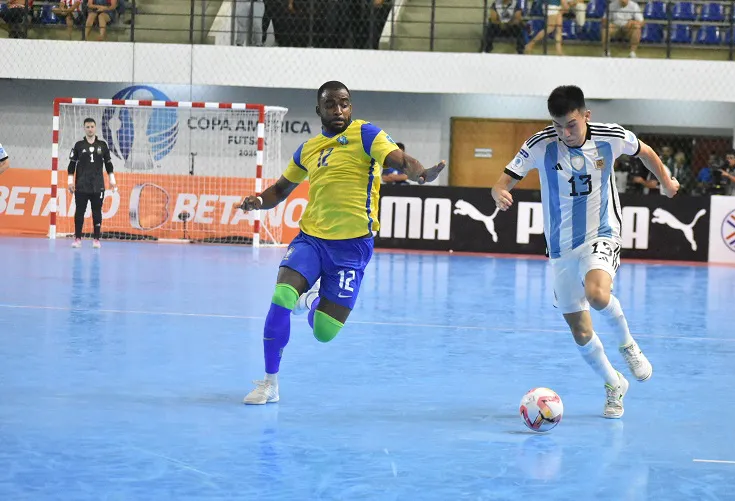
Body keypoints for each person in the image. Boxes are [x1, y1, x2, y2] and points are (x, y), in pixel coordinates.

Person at [239, 81, 445, 405]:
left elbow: (399, 159)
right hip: (311, 240)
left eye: (345, 104)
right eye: (332, 105)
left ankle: (310, 303)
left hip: (351, 250)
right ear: (318, 109)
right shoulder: (307, 149)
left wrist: (420, 172)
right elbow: (279, 190)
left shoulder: (366, 135)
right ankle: (270, 383)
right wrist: (257, 201)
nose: (339, 110)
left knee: (324, 332)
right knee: (281, 295)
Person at [490, 85, 679, 419]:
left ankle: (628, 345)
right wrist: (498, 193)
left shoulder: (611, 136)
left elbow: (646, 152)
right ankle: (613, 384)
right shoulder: (540, 144)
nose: (565, 132)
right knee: (580, 331)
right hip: (561, 247)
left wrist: (664, 181)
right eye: (559, 125)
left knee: (596, 294)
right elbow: (503, 180)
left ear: (586, 116)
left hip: (601, 232)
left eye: (572, 124)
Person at [67, 118, 117, 249]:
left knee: (96, 212)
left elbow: (108, 164)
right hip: (81, 185)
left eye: (92, 126)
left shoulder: (102, 145)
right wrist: (70, 182)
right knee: (79, 211)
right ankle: (77, 239)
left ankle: (96, 239)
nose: (90, 129)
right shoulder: (78, 145)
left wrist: (112, 180)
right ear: (84, 128)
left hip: (97, 185)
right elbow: (71, 165)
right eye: (87, 127)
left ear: (95, 128)